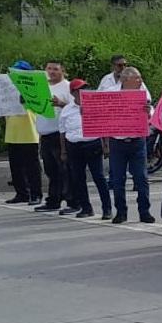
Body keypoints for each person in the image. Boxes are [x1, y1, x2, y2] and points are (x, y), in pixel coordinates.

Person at [58, 78, 111, 219]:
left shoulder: (95, 106)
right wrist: (63, 151)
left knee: (99, 177)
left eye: (84, 88)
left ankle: (107, 209)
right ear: (73, 92)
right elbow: (62, 132)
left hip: (92, 144)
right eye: (79, 89)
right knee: (78, 178)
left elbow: (103, 125)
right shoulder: (67, 110)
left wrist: (105, 145)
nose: (82, 92)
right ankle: (86, 208)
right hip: (74, 146)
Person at [109, 66, 155, 225]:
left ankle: (145, 211)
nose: (141, 80)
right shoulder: (111, 93)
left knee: (141, 178)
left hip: (137, 141)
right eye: (137, 78)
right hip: (117, 142)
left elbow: (151, 112)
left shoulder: (143, 92)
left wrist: (149, 111)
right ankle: (121, 212)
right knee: (118, 179)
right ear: (125, 80)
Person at [33, 61, 74, 213]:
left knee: (65, 169)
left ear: (62, 70)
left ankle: (72, 201)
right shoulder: (42, 86)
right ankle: (53, 200)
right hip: (45, 132)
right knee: (50, 170)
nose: (52, 72)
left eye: (55, 69)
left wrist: (61, 103)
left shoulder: (67, 87)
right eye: (49, 69)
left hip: (60, 133)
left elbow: (75, 107)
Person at [3, 61, 43, 206]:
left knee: (32, 166)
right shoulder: (8, 89)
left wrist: (27, 98)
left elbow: (40, 105)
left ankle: (36, 193)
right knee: (16, 166)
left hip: (29, 131)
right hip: (12, 131)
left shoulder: (34, 88)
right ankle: (21, 193)